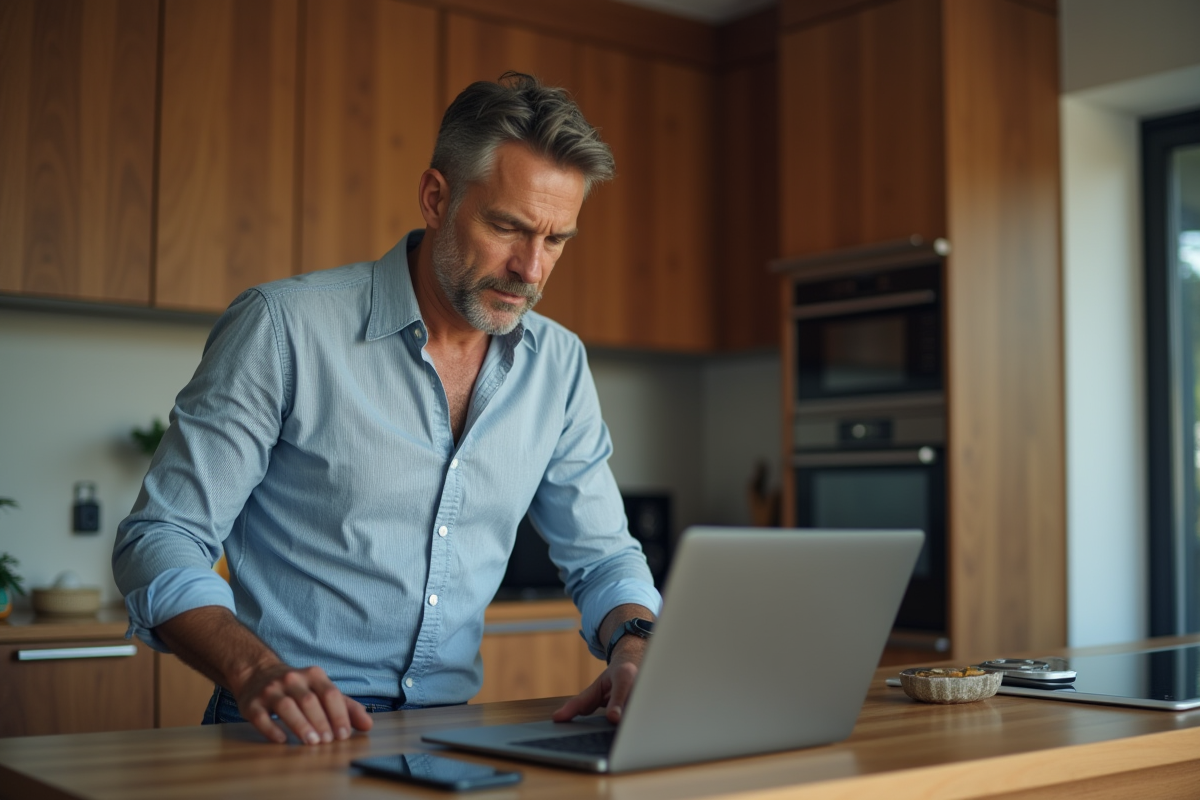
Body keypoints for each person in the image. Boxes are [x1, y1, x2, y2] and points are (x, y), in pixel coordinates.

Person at [112, 72, 662, 747]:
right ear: (436, 198)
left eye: (556, 240)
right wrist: (256, 669)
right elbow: (161, 536)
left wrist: (634, 644)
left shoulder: (560, 364)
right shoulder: (284, 329)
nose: (531, 269)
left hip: (452, 734)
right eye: (508, 228)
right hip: (288, 726)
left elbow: (604, 558)